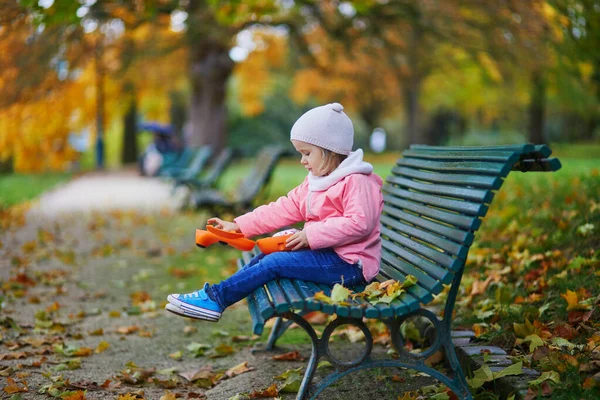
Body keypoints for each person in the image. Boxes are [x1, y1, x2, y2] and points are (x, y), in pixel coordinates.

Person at [165, 103, 384, 321]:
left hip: (350, 265)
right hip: (328, 256)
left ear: (329, 151)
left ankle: (216, 299)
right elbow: (283, 208)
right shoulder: (317, 182)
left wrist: (311, 235)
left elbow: (359, 223)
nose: (302, 160)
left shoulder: (356, 181)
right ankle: (214, 297)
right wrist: (239, 225)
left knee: (275, 263)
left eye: (307, 153)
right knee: (268, 257)